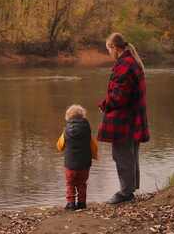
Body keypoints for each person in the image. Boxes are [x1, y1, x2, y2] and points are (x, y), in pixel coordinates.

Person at [98, 33, 150, 204]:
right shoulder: (130, 62)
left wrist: (105, 104)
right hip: (133, 117)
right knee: (131, 153)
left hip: (125, 119)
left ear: (115, 47)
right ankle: (130, 188)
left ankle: (126, 193)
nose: (108, 53)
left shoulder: (125, 65)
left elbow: (119, 96)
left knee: (121, 154)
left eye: (108, 49)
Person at [56, 104, 98, 210]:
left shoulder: (66, 132)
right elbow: (93, 145)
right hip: (84, 164)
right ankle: (82, 203)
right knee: (82, 184)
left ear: (68, 117)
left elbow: (60, 146)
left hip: (70, 165)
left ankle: (71, 204)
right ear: (83, 116)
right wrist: (95, 155)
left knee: (70, 183)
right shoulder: (87, 130)